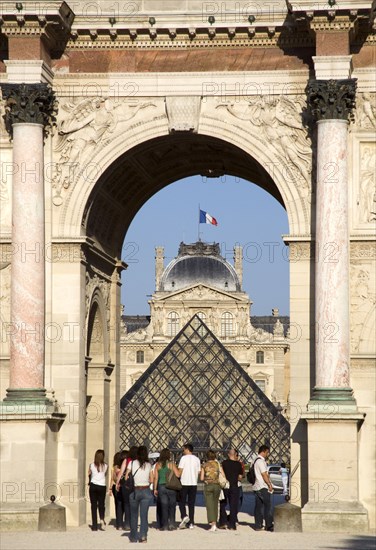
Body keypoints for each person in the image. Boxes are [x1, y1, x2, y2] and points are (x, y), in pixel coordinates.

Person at [124, 446, 153, 543]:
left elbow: (126, 477)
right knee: (144, 516)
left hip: (134, 491)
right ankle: (143, 536)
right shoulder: (149, 465)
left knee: (134, 515)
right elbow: (151, 479)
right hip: (145, 490)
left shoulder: (132, 463)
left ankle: (133, 537)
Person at [153, 448, 180, 530]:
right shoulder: (171, 464)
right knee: (172, 506)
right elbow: (178, 475)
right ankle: (172, 523)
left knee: (164, 506)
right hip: (171, 487)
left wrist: (155, 489)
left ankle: (165, 525)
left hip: (161, 486)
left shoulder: (158, 465)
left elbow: (156, 478)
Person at [177, 443, 201, 529]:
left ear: (187, 449)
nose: (183, 451)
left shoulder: (183, 458)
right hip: (193, 483)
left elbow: (179, 472)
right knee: (191, 504)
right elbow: (198, 472)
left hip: (184, 483)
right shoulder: (197, 459)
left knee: (181, 502)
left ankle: (184, 516)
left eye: (183, 449)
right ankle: (191, 522)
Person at [200, 450, 224, 531]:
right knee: (215, 505)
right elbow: (223, 474)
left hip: (208, 486)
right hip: (217, 486)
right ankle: (215, 523)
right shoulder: (218, 464)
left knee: (209, 505)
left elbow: (201, 478)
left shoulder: (204, 465)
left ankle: (212, 524)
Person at [219, 449, 243, 530]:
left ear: (229, 454)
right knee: (233, 506)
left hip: (225, 486)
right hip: (234, 486)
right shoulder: (238, 464)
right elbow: (240, 477)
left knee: (223, 504)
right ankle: (232, 525)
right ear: (235, 454)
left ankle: (223, 522)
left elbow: (221, 473)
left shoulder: (224, 463)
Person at [253, 444, 274, 532]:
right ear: (264, 451)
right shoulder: (261, 462)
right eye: (267, 452)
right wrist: (269, 484)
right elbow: (264, 474)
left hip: (256, 486)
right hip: (262, 486)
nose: (267, 454)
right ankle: (268, 525)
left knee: (258, 507)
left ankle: (258, 525)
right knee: (267, 506)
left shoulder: (254, 460)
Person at [117, 445, 138, 530]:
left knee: (126, 504)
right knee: (135, 505)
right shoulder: (138, 461)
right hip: (136, 485)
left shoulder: (126, 460)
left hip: (126, 484)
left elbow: (121, 472)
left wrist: (118, 483)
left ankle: (127, 523)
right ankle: (133, 523)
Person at [88, 449, 108, 531]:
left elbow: (89, 474)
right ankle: (102, 518)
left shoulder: (91, 465)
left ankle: (94, 525)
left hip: (93, 485)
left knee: (93, 505)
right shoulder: (106, 466)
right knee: (101, 504)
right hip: (102, 486)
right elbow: (105, 474)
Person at [109, 451, 125, 530]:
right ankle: (124, 522)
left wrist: (110, 488)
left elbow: (112, 478)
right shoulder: (125, 466)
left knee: (118, 505)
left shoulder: (114, 467)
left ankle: (119, 524)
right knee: (125, 504)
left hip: (116, 486)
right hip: (123, 486)